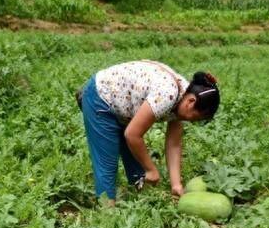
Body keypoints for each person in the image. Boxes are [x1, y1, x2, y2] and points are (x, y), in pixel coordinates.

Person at [78, 61, 220, 204]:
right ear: (191, 101)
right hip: (101, 96)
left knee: (136, 158)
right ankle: (106, 212)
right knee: (107, 161)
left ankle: (138, 194)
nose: (192, 121)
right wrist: (151, 169)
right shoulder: (167, 95)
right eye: (195, 118)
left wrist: (176, 185)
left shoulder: (184, 92)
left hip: (123, 106)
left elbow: (174, 144)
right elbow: (132, 135)